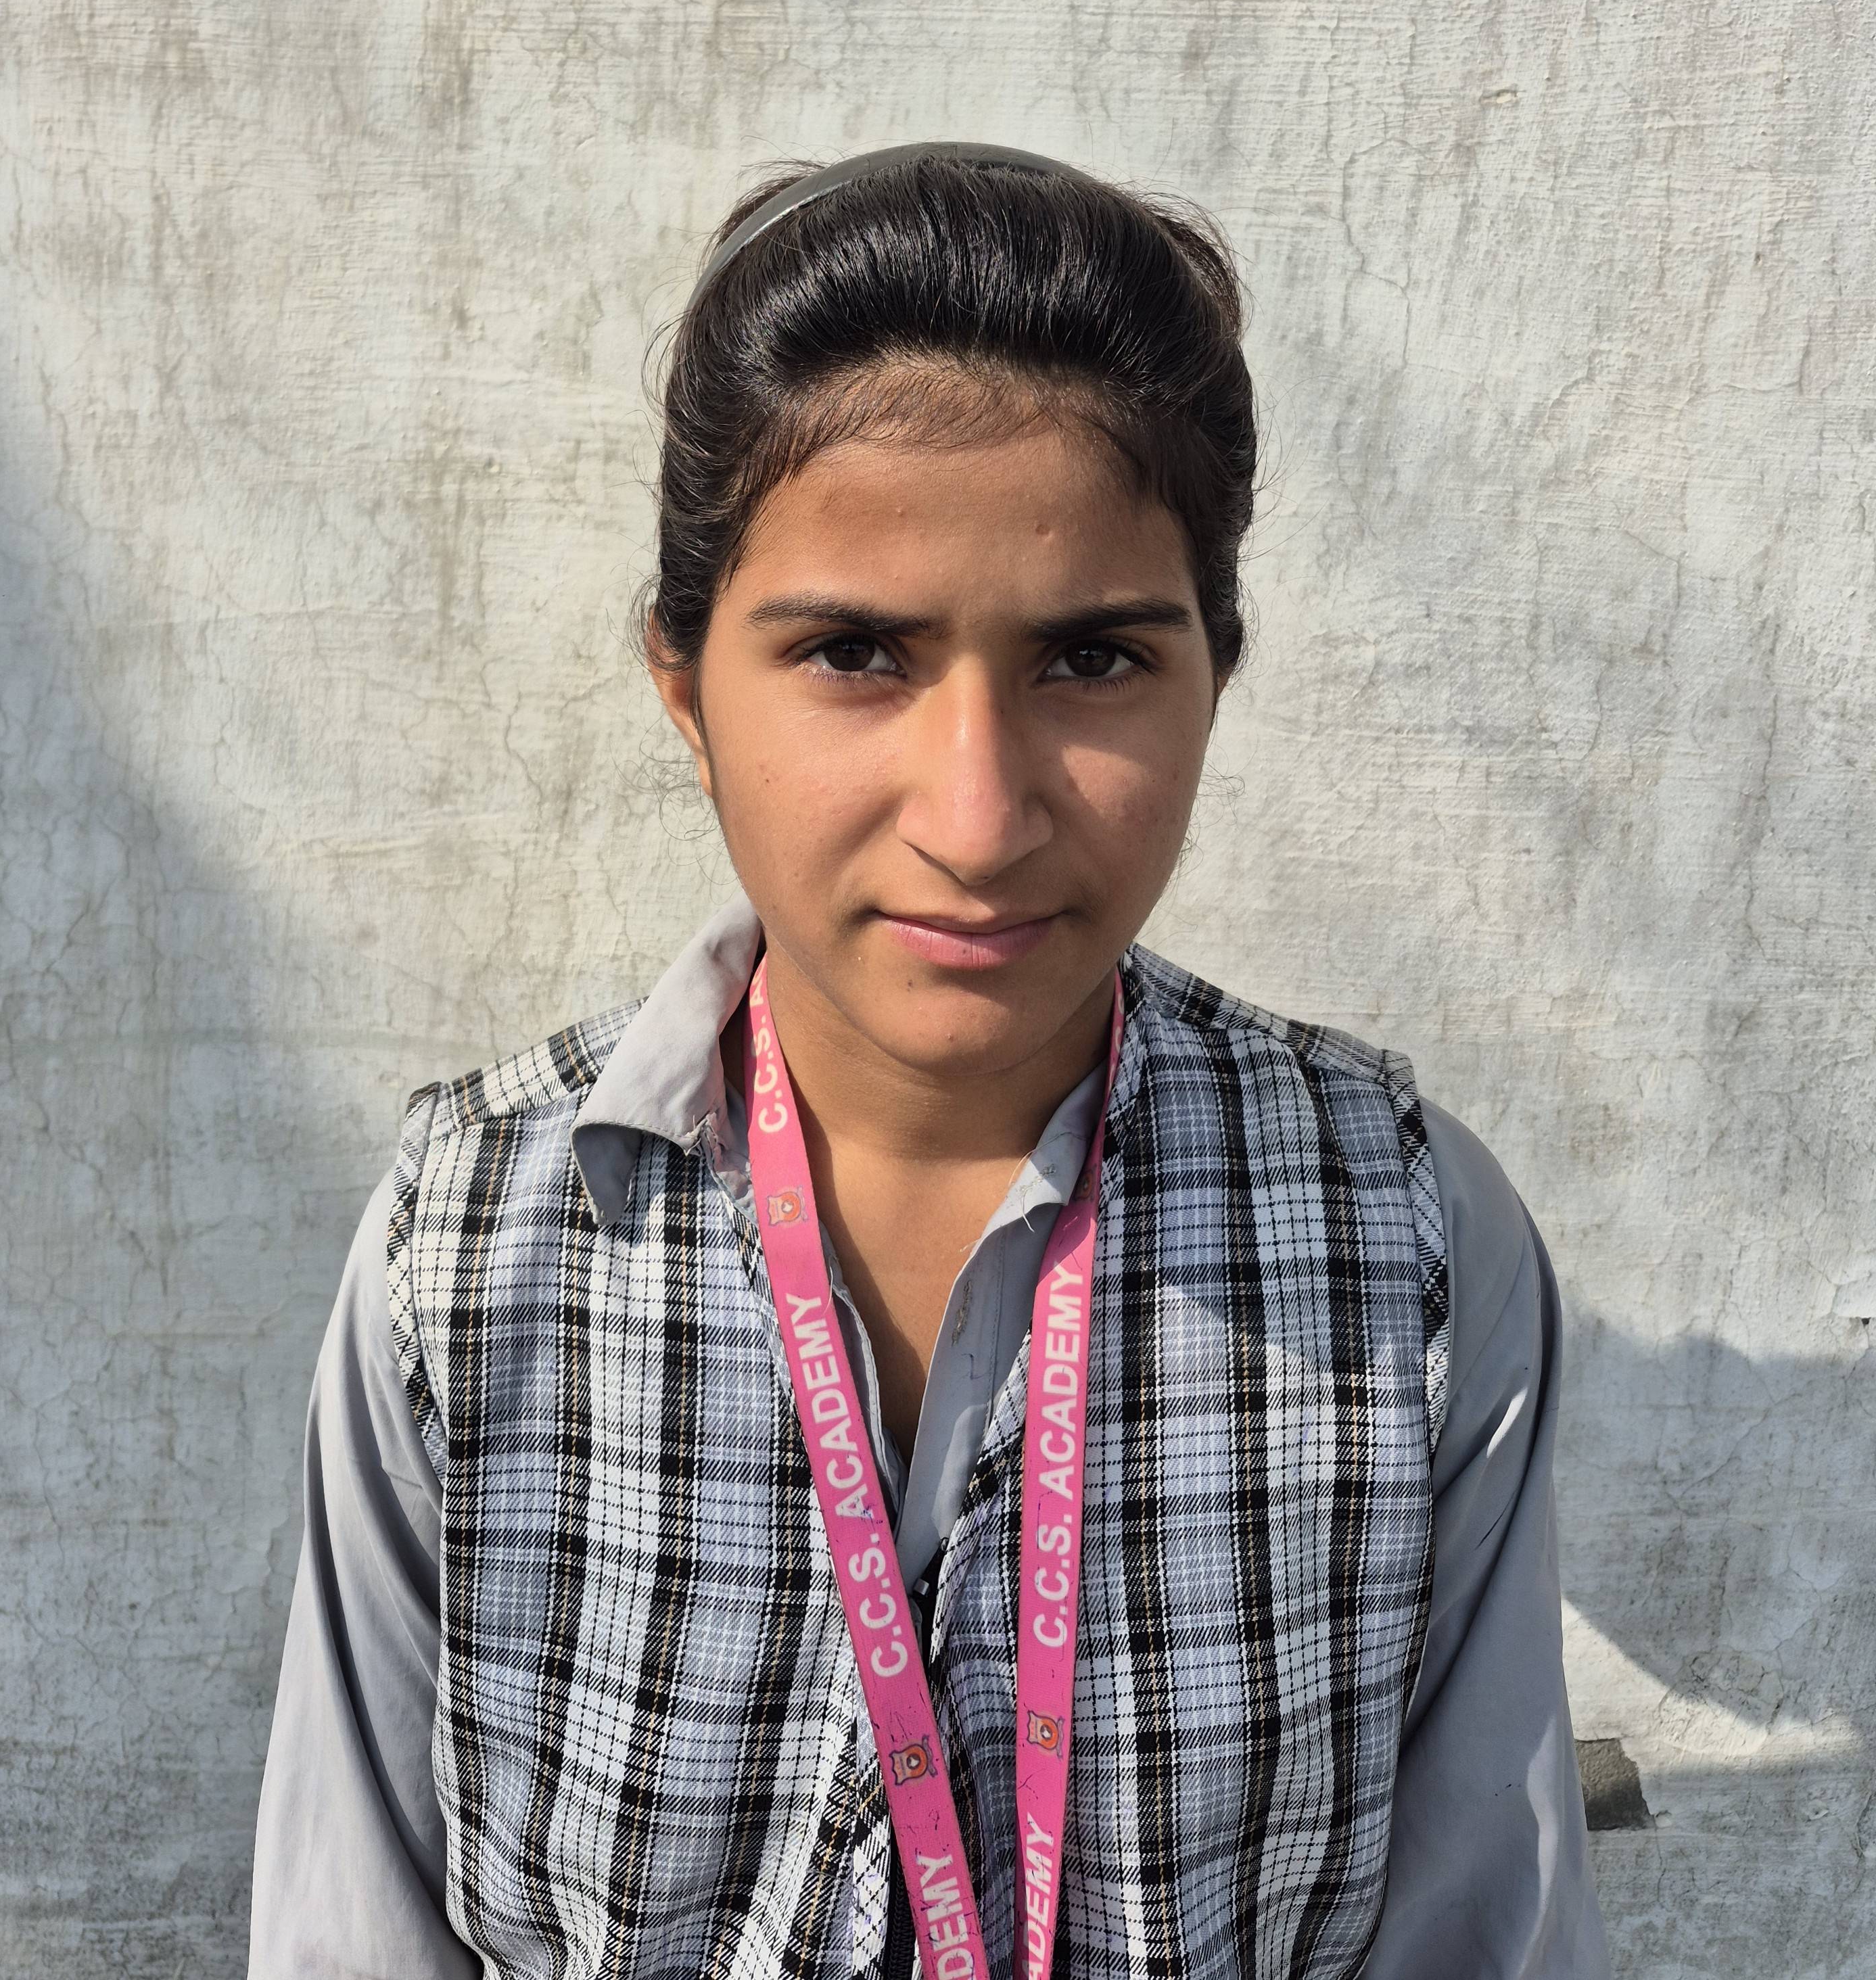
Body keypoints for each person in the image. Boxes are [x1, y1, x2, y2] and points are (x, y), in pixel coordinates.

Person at [248, 143, 1610, 1980]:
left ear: (1215, 673)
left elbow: (1487, 1938)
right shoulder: (476, 1253)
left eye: (1093, 662)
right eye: (854, 654)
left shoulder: (1407, 1242)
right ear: (684, 685)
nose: (977, 819)